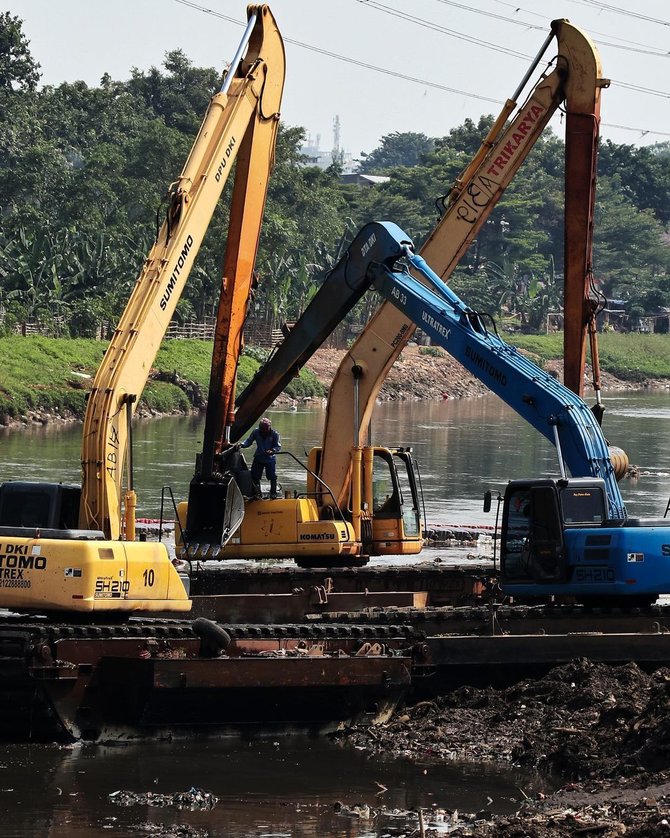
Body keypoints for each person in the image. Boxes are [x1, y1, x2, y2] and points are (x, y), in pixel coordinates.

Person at [240, 417, 282, 498]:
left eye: (265, 430)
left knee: (272, 476)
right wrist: (242, 445)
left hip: (270, 459)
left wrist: (272, 450)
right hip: (259, 457)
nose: (263, 432)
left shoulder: (275, 434)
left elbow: (277, 446)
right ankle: (257, 493)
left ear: (269, 428)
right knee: (255, 475)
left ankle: (273, 493)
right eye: (262, 429)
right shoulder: (256, 432)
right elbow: (249, 441)